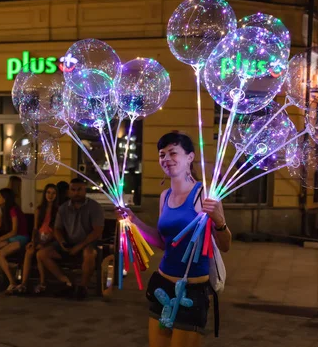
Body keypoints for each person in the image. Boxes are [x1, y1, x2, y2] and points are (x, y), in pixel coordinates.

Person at [118, 131, 232, 347]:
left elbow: (225, 245)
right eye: (162, 155)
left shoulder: (205, 194)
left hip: (192, 290)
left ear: (189, 157)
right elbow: (164, 242)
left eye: (173, 153)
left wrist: (219, 221)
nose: (166, 159)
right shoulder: (165, 196)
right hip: (162, 285)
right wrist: (134, 221)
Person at [36, 178, 104, 300]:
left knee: (89, 254)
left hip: (86, 243)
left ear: (85, 190)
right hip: (68, 242)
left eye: (79, 190)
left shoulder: (94, 207)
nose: (76, 193)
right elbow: (57, 229)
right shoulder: (63, 208)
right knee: (42, 254)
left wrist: (80, 246)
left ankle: (83, 287)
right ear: (69, 191)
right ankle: (66, 282)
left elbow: (97, 231)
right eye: (73, 190)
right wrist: (62, 242)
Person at [15, 183, 59, 294]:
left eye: (53, 193)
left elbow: (56, 231)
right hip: (39, 237)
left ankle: (42, 282)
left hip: (50, 240)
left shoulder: (58, 211)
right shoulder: (39, 209)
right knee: (29, 251)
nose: (50, 195)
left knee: (40, 253)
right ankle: (24, 283)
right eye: (48, 192)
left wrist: (44, 243)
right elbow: (35, 228)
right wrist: (33, 241)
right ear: (44, 194)